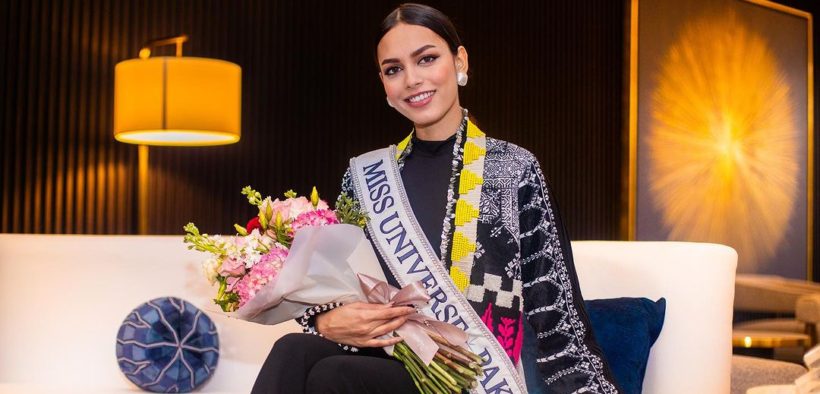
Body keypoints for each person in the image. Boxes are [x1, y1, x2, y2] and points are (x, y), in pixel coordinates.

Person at [252, 4, 618, 393]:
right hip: (392, 357)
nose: (412, 79)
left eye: (426, 59)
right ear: (384, 84)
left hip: (474, 374)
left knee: (334, 376)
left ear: (459, 61)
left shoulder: (514, 169)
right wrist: (325, 320)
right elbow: (339, 287)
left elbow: (555, 309)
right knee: (293, 348)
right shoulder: (364, 178)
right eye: (394, 69)